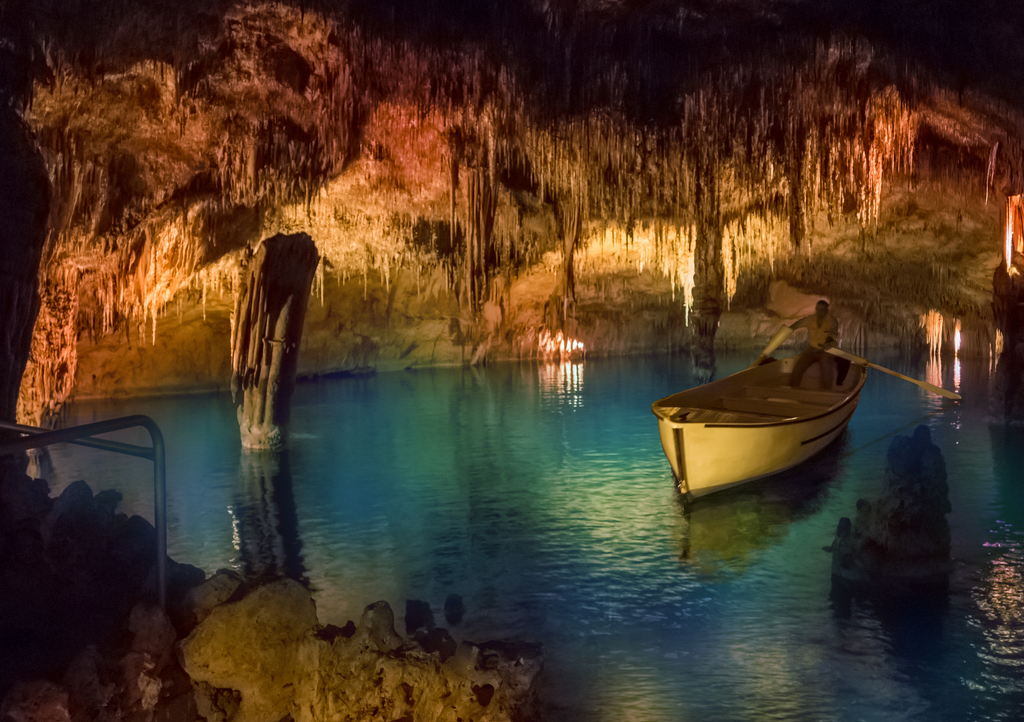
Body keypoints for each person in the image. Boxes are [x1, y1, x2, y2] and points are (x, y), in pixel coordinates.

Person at [754, 299, 839, 389]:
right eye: (817, 309)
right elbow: (793, 327)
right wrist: (785, 332)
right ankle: (794, 388)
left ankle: (827, 391)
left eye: (822, 310)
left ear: (827, 311)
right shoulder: (810, 319)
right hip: (811, 350)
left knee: (826, 366)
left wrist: (828, 341)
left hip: (825, 350)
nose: (819, 312)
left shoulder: (831, 321)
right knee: (798, 366)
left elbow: (832, 333)